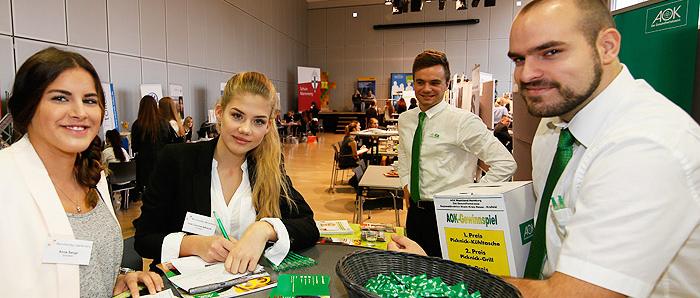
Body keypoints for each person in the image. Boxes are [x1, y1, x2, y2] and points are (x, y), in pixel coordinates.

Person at [393, 1, 700, 297]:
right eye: (519, 59)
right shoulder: (552, 126)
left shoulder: (647, 145)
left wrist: (436, 272)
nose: (526, 74)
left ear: (606, 47)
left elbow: (573, 294)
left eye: (551, 52)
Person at [0, 47, 163, 297]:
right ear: (28, 107)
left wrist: (116, 278)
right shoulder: (6, 178)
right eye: (60, 98)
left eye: (89, 100)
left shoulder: (93, 177)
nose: (80, 112)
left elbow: (82, 265)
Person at [133, 72, 319, 274]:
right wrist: (195, 244)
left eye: (258, 121)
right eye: (237, 116)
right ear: (220, 113)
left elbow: (308, 226)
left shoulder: (269, 168)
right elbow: (144, 240)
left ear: (268, 126)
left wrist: (264, 229)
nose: (246, 129)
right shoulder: (177, 160)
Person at [397, 50, 516, 257]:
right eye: (420, 82)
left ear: (447, 84)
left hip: (451, 216)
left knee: (447, 280)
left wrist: (471, 199)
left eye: (434, 82)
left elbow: (505, 163)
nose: (426, 89)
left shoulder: (463, 122)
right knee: (416, 276)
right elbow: (405, 155)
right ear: (413, 83)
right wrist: (406, 184)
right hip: (415, 214)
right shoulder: (406, 120)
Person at [131, 95, 170, 198]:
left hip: (144, 163)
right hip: (162, 160)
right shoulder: (164, 123)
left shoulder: (137, 124)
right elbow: (168, 142)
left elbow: (134, 147)